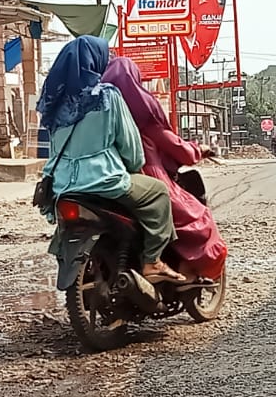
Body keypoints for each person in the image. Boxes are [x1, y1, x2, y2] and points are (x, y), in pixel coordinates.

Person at [39, 36, 183, 284]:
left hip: (63, 185)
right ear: (95, 62)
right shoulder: (107, 96)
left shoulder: (52, 103)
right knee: (158, 193)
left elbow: (50, 148)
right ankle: (152, 261)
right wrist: (134, 168)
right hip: (104, 180)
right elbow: (131, 147)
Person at [102, 57, 228, 282]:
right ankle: (186, 273)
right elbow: (180, 150)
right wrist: (200, 149)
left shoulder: (99, 111)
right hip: (147, 176)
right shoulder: (145, 116)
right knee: (199, 218)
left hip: (103, 178)